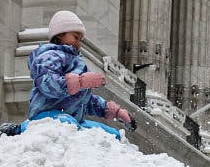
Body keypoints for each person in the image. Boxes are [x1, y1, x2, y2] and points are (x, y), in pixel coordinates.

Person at [23, 10, 131, 140]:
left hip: (73, 119)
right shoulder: (49, 56)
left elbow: (84, 99)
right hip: (47, 116)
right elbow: (47, 84)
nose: (78, 42)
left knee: (111, 135)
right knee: (67, 124)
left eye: (80, 39)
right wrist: (80, 82)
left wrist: (115, 111)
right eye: (75, 37)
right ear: (60, 35)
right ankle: (19, 129)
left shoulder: (78, 64)